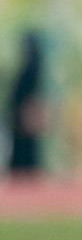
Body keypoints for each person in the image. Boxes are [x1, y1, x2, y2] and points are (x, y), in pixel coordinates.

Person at [6, 30, 47, 178]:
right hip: (20, 119)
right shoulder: (30, 70)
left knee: (26, 152)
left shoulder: (31, 69)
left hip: (23, 119)